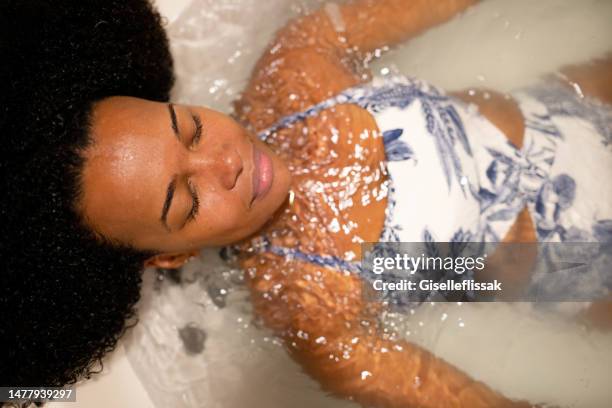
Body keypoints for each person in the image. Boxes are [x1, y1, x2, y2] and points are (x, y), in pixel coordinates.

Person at [1, 0, 610, 406]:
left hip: (572, 109)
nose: (224, 163)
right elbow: (460, 387)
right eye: (186, 201)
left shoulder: (295, 72)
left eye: (188, 128)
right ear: (171, 256)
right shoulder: (313, 299)